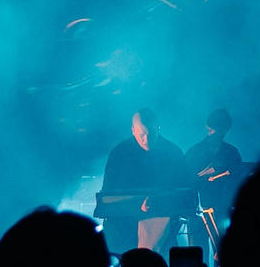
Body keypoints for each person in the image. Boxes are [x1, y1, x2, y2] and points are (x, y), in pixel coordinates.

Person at [99, 107, 189, 253]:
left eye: (151, 134)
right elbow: (109, 194)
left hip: (163, 225)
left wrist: (161, 201)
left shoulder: (173, 153)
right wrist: (136, 203)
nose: (146, 140)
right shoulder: (119, 153)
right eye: (142, 134)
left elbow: (184, 191)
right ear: (133, 130)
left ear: (158, 128)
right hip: (123, 225)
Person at [189, 109, 245, 247]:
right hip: (199, 211)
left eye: (223, 130)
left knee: (222, 250)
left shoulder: (231, 152)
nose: (220, 133)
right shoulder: (194, 153)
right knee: (198, 251)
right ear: (208, 127)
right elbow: (186, 181)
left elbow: (238, 180)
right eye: (218, 129)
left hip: (223, 210)